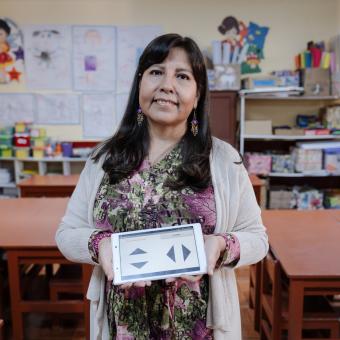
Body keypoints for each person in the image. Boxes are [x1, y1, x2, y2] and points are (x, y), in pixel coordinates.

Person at [56, 33, 268, 340]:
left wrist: (221, 246)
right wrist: (100, 246)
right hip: (123, 325)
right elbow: (66, 233)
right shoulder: (105, 158)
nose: (166, 85)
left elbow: (257, 238)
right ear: (140, 84)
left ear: (197, 96)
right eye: (156, 72)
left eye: (182, 76)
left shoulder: (223, 160)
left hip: (198, 327)